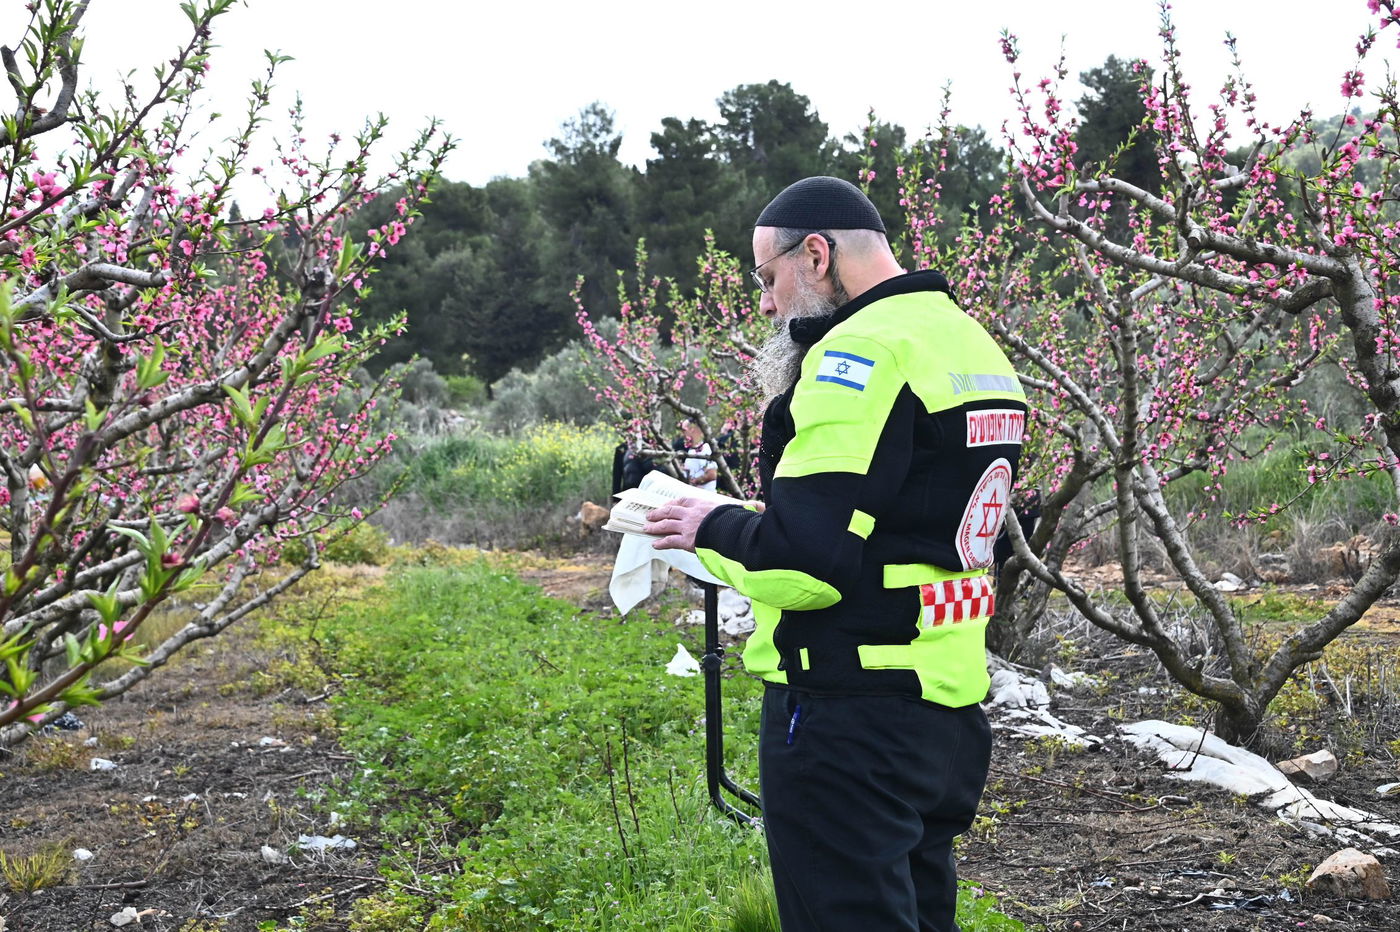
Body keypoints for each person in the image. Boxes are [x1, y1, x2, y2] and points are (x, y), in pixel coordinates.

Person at [644, 176, 1027, 932]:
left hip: (847, 717)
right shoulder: (965, 340)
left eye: (767, 278)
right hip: (945, 710)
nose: (765, 304)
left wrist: (708, 526)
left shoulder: (859, 354)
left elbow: (805, 568)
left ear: (814, 255)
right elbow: (897, 522)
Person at [678, 419, 718, 491]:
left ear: (692, 430)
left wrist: (693, 482)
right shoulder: (691, 451)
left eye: (684, 431)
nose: (682, 434)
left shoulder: (705, 449)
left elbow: (711, 475)